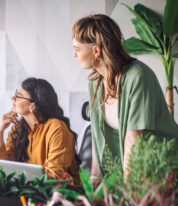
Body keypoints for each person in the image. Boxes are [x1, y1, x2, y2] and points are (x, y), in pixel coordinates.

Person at [72, 14, 178, 185]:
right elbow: (98, 138)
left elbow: (133, 141)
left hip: (164, 169)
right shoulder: (96, 81)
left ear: (96, 51)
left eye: (77, 48)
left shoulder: (138, 77)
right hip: (134, 170)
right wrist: (95, 182)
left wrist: (129, 194)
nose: (74, 54)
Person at [0, 77, 81, 185]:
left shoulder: (56, 128)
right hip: (27, 193)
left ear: (33, 105)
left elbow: (56, 176)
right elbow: (4, 169)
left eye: (18, 96)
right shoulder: (17, 129)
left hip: (58, 196)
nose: (13, 98)